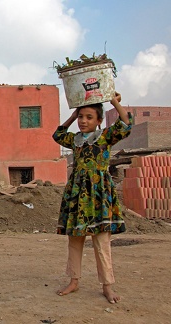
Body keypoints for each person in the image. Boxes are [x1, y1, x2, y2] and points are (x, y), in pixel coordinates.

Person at [52, 92, 132, 304]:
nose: (83, 121)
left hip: (98, 196)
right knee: (75, 240)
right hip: (77, 196)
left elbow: (126, 124)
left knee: (101, 241)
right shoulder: (75, 140)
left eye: (89, 117)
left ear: (99, 121)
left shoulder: (105, 136)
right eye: (81, 117)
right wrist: (72, 114)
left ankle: (107, 285)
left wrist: (113, 101)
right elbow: (58, 134)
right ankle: (74, 281)